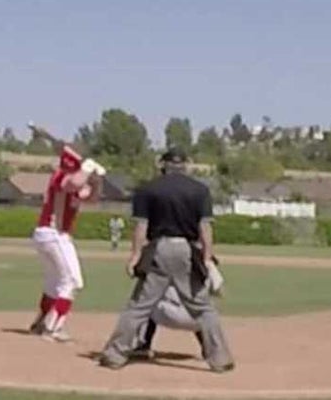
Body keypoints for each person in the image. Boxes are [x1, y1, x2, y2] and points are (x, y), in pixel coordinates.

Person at [99, 147, 234, 372]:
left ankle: (115, 354)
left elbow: (141, 226)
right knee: (202, 308)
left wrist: (135, 256)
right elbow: (205, 227)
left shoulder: (148, 190)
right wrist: (207, 258)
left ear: (163, 164)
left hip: (158, 248)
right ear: (186, 165)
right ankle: (219, 358)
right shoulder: (199, 190)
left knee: (139, 306)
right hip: (187, 251)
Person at [27, 145, 106, 343]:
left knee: (54, 284)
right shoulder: (61, 177)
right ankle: (53, 328)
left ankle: (41, 323)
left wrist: (97, 180)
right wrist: (87, 168)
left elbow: (92, 198)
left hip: (48, 235)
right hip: (54, 234)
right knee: (72, 282)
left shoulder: (74, 182)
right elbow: (73, 183)